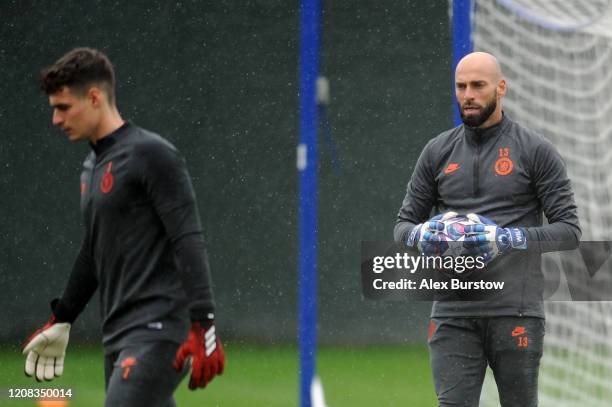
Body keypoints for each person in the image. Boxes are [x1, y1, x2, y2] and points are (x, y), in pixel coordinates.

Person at [22, 47, 225, 407]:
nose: (55, 119)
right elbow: (94, 248)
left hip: (159, 332)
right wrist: (63, 316)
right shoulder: (92, 165)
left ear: (95, 97)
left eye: (63, 107)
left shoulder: (151, 154)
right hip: (118, 336)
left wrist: (204, 323)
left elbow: (187, 237)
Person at [394, 52, 581, 407]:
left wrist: (507, 238)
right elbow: (403, 225)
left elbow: (569, 231)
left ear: (501, 87)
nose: (468, 94)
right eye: (461, 86)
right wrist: (419, 235)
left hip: (516, 311)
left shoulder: (535, 151)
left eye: (478, 85)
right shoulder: (437, 151)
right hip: (453, 311)